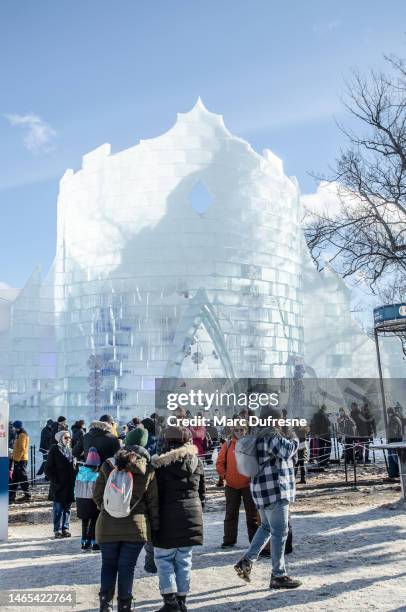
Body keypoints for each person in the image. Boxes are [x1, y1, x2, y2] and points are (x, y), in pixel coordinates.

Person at [234, 407, 301, 590]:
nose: (281, 423)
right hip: (275, 489)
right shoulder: (272, 435)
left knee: (266, 527)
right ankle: (278, 575)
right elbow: (288, 450)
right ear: (273, 420)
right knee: (280, 532)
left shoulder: (256, 434)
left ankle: (246, 562)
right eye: (279, 420)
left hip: (260, 490)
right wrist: (295, 437)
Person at [93, 435, 159, 612]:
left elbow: (97, 494)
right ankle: (124, 605)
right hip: (136, 528)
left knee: (108, 565)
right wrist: (154, 526)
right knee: (126, 568)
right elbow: (153, 502)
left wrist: (108, 509)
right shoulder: (149, 470)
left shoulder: (108, 466)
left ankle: (105, 604)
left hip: (106, 526)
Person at [152, 426, 205, 612]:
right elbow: (202, 493)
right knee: (184, 560)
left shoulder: (158, 464)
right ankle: (182, 601)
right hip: (191, 515)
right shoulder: (196, 461)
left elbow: (154, 496)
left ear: (166, 441)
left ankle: (170, 602)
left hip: (166, 517)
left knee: (164, 559)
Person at [216, 422, 258, 548]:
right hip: (231, 485)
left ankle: (255, 541)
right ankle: (229, 540)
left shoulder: (252, 444)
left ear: (246, 430)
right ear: (233, 430)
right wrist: (225, 476)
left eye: (241, 430)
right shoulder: (227, 445)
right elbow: (219, 463)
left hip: (248, 486)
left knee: (252, 515)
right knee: (230, 514)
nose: (239, 432)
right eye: (237, 430)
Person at [44, 430, 76, 538]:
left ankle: (65, 528)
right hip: (58, 485)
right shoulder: (54, 449)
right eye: (66, 438)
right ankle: (57, 530)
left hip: (69, 484)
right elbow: (47, 469)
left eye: (69, 438)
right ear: (60, 438)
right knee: (58, 509)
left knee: (67, 508)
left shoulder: (69, 449)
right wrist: (55, 480)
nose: (68, 440)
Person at [75, 447, 101, 551]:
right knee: (94, 521)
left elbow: (75, 488)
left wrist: (76, 498)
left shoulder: (80, 473)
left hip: (80, 500)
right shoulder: (96, 475)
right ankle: (94, 543)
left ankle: (84, 543)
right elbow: (96, 491)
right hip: (91, 501)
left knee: (84, 522)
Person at [9, 420, 31, 503]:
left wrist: (16, 459)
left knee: (22, 478)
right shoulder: (19, 434)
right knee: (15, 479)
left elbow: (22, 448)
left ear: (17, 427)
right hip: (18, 459)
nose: (13, 429)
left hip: (21, 460)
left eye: (14, 427)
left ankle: (27, 495)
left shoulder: (22, 435)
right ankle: (11, 496)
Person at [387, 406, 403, 479]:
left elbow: (393, 431)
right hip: (396, 441)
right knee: (394, 459)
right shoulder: (396, 418)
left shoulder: (393, 419)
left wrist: (390, 441)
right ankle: (395, 474)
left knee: (393, 459)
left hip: (394, 442)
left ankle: (393, 474)